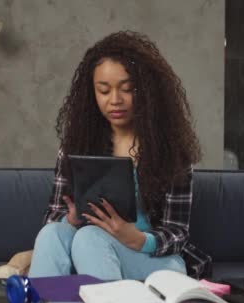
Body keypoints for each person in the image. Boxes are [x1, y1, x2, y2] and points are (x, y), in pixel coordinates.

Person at [28, 31, 208, 281]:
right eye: (104, 91)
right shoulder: (75, 145)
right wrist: (70, 218)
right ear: (91, 94)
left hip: (152, 258)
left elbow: (177, 233)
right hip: (90, 247)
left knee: (89, 237)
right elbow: (52, 215)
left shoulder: (171, 151)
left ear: (146, 92)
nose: (115, 100)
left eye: (127, 89)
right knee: (52, 233)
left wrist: (137, 238)